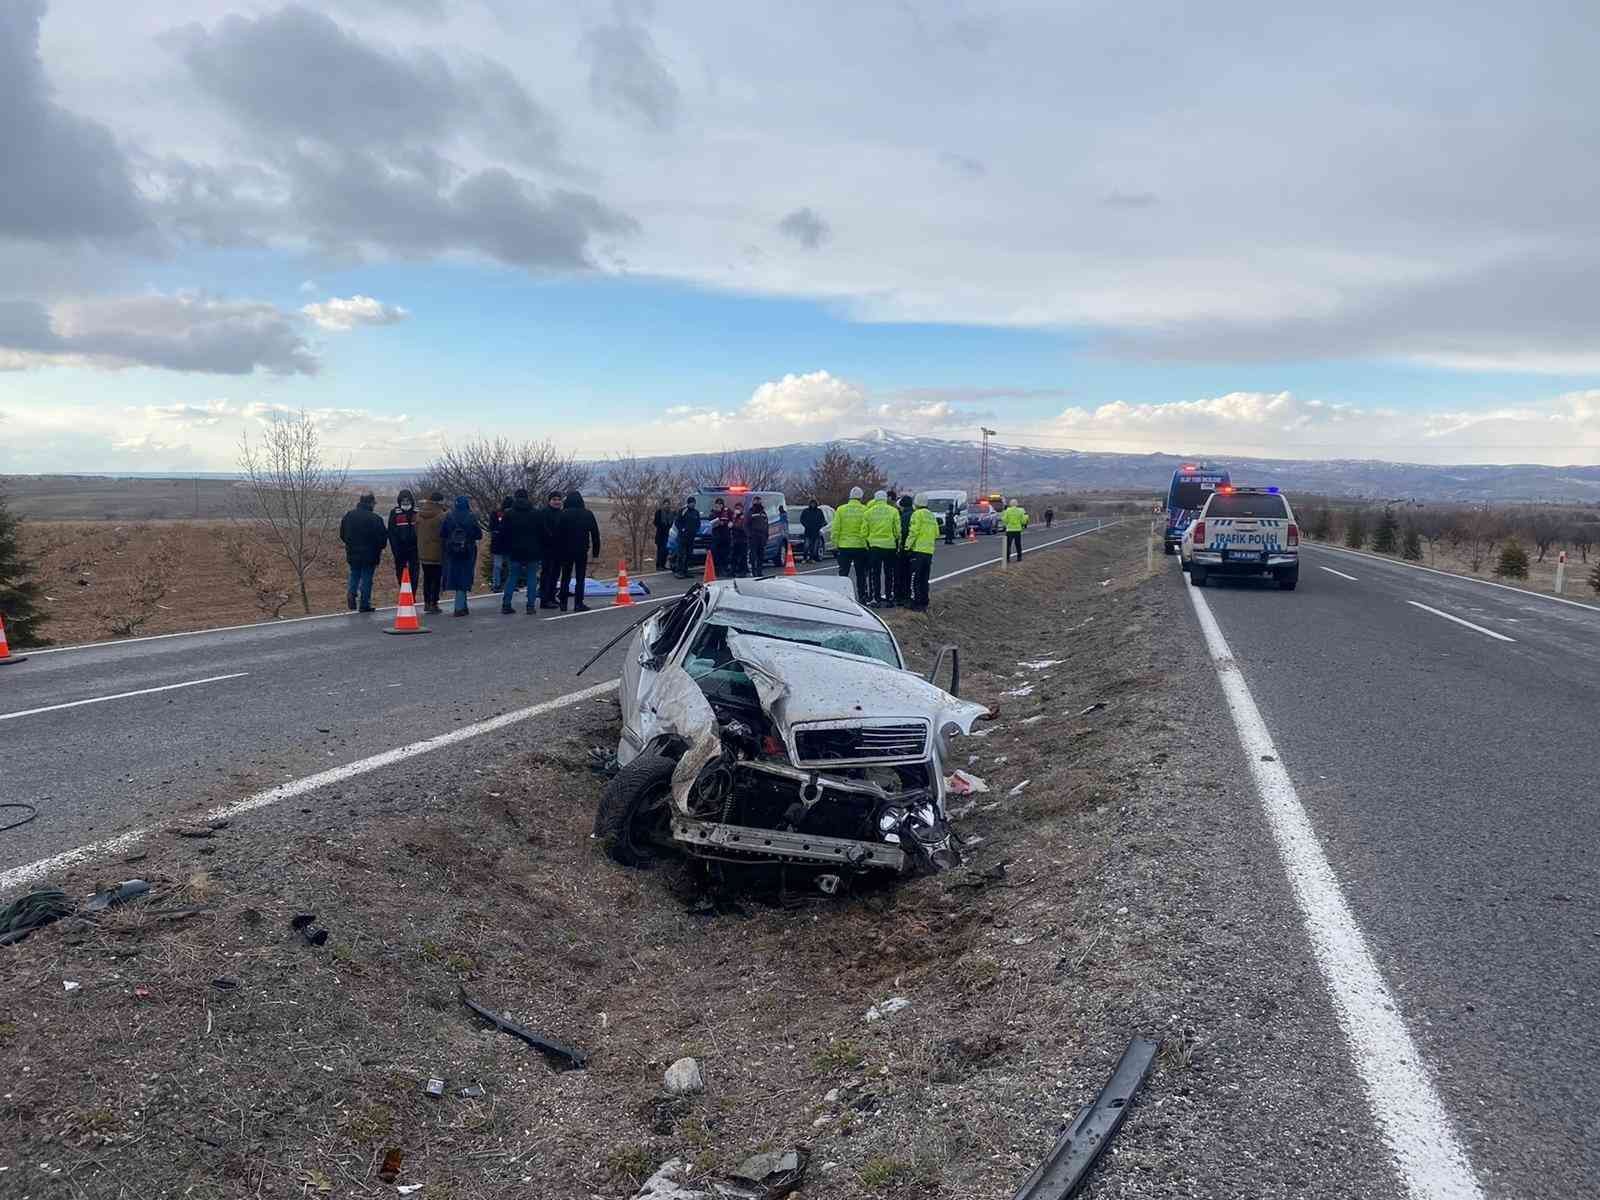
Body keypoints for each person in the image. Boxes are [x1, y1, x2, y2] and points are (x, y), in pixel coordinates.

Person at [338, 492, 387, 612]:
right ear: (371, 503)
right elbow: (382, 538)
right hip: (370, 554)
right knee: (366, 578)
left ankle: (351, 593)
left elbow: (342, 534)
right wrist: (379, 547)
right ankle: (364, 604)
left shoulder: (349, 516)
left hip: (352, 552)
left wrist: (350, 544)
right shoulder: (375, 519)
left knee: (354, 574)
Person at [498, 488, 543, 614]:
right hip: (532, 550)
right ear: (527, 498)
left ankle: (506, 604)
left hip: (514, 550)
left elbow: (503, 533)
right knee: (531, 577)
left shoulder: (509, 513)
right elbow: (541, 532)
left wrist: (505, 548)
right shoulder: (536, 513)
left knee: (512, 577)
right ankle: (530, 606)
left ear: (515, 498)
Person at [556, 490, 602, 611]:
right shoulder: (587, 514)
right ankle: (578, 603)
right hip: (581, 549)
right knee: (580, 577)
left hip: (565, 549)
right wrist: (595, 553)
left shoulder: (562, 514)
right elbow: (595, 534)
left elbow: (557, 534)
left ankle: (563, 603)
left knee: (565, 576)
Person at [439, 496, 482, 615]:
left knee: (456, 576)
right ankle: (459, 607)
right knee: (465, 577)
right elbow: (479, 535)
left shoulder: (449, 516)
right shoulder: (471, 517)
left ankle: (463, 605)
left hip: (452, 551)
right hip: (468, 551)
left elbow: (442, 533)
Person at [864, 488, 898, 606]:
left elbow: (864, 531)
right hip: (889, 546)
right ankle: (889, 597)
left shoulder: (868, 512)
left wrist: (868, 541)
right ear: (885, 499)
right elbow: (897, 530)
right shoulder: (893, 511)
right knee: (889, 573)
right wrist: (896, 539)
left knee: (875, 573)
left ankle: (876, 598)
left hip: (874, 546)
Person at [833, 486, 868, 599]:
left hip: (844, 546)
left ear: (850, 496)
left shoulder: (841, 509)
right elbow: (867, 529)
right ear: (861, 498)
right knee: (861, 574)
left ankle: (841, 597)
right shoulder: (865, 509)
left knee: (843, 574)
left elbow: (836, 529)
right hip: (860, 546)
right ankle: (862, 597)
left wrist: (835, 544)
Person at [906, 493, 939, 610]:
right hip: (929, 551)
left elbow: (913, 532)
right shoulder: (931, 515)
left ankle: (916, 602)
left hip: (918, 550)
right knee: (924, 579)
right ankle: (924, 601)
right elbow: (937, 533)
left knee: (915, 577)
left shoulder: (917, 514)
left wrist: (907, 546)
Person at [416, 492, 447, 613]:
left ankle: (426, 602)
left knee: (427, 578)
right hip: (437, 552)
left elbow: (416, 532)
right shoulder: (441, 516)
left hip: (423, 551)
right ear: (439, 502)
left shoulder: (419, 514)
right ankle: (434, 603)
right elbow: (444, 534)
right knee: (436, 578)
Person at [386, 489, 421, 592]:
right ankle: (404, 591)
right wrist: (395, 550)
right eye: (403, 500)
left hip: (415, 549)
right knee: (400, 572)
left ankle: (412, 594)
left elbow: (421, 530)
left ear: (411, 500)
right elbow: (391, 533)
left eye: (407, 499)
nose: (405, 502)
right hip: (400, 549)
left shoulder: (417, 512)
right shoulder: (394, 513)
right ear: (399, 501)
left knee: (414, 573)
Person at [537, 491, 564, 609]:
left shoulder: (561, 513)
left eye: (559, 499)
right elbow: (542, 530)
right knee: (547, 574)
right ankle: (544, 599)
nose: (557, 502)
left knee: (555, 574)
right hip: (547, 549)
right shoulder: (544, 512)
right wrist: (552, 538)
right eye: (554, 499)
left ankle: (552, 597)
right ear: (549, 501)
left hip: (559, 549)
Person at [894, 493, 915, 607]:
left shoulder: (903, 517)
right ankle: (908, 595)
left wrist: (901, 547)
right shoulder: (916, 515)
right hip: (915, 549)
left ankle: (900, 596)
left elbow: (900, 533)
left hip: (904, 549)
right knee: (909, 574)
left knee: (900, 573)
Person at [488, 495, 512, 592]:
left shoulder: (496, 513)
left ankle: (498, 584)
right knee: (508, 566)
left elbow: (492, 528)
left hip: (499, 544)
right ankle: (502, 584)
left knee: (498, 566)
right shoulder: (496, 514)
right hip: (506, 543)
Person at [673, 496, 700, 578]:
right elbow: (677, 522)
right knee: (681, 554)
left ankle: (685, 571)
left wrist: (695, 530)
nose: (693, 504)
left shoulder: (696, 512)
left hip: (691, 537)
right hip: (683, 537)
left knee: (689, 554)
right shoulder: (683, 510)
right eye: (691, 503)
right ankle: (679, 571)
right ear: (688, 503)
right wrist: (682, 529)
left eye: (694, 503)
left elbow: (698, 523)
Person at [747, 497, 770, 578]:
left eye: (759, 501)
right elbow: (746, 524)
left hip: (762, 536)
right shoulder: (750, 512)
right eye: (756, 501)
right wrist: (749, 535)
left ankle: (759, 571)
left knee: (761, 555)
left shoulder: (763, 513)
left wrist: (766, 535)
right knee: (753, 555)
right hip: (754, 537)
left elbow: (766, 525)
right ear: (753, 502)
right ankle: (754, 571)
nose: (758, 502)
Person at [709, 499, 732, 577]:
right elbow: (711, 521)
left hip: (725, 537)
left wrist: (729, 523)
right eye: (717, 504)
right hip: (716, 537)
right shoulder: (713, 512)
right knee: (716, 555)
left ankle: (724, 570)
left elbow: (732, 519)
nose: (719, 506)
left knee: (724, 554)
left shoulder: (727, 511)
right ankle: (717, 571)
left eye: (720, 504)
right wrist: (717, 513)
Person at [1003, 498, 1030, 563]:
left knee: (1008, 545)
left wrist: (1008, 523)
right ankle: (1019, 557)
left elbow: (1004, 520)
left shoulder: (1007, 510)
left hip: (1009, 529)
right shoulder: (1020, 511)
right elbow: (1023, 521)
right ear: (1017, 504)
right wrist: (1025, 519)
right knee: (1018, 544)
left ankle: (1007, 559)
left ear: (1010, 504)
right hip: (1017, 529)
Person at [729, 502, 748, 577]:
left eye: (738, 508)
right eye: (736, 508)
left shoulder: (744, 517)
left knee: (743, 556)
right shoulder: (734, 517)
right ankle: (732, 571)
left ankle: (743, 571)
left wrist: (733, 526)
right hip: (735, 539)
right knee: (734, 556)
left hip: (743, 540)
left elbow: (743, 527)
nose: (737, 510)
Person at [653, 504, 673, 572]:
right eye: (666, 504)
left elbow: (672, 522)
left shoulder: (670, 513)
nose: (667, 506)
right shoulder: (659, 512)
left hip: (668, 534)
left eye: (668, 504)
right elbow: (655, 522)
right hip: (660, 534)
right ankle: (658, 566)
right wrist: (661, 526)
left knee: (666, 551)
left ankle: (663, 565)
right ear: (663, 504)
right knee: (660, 551)